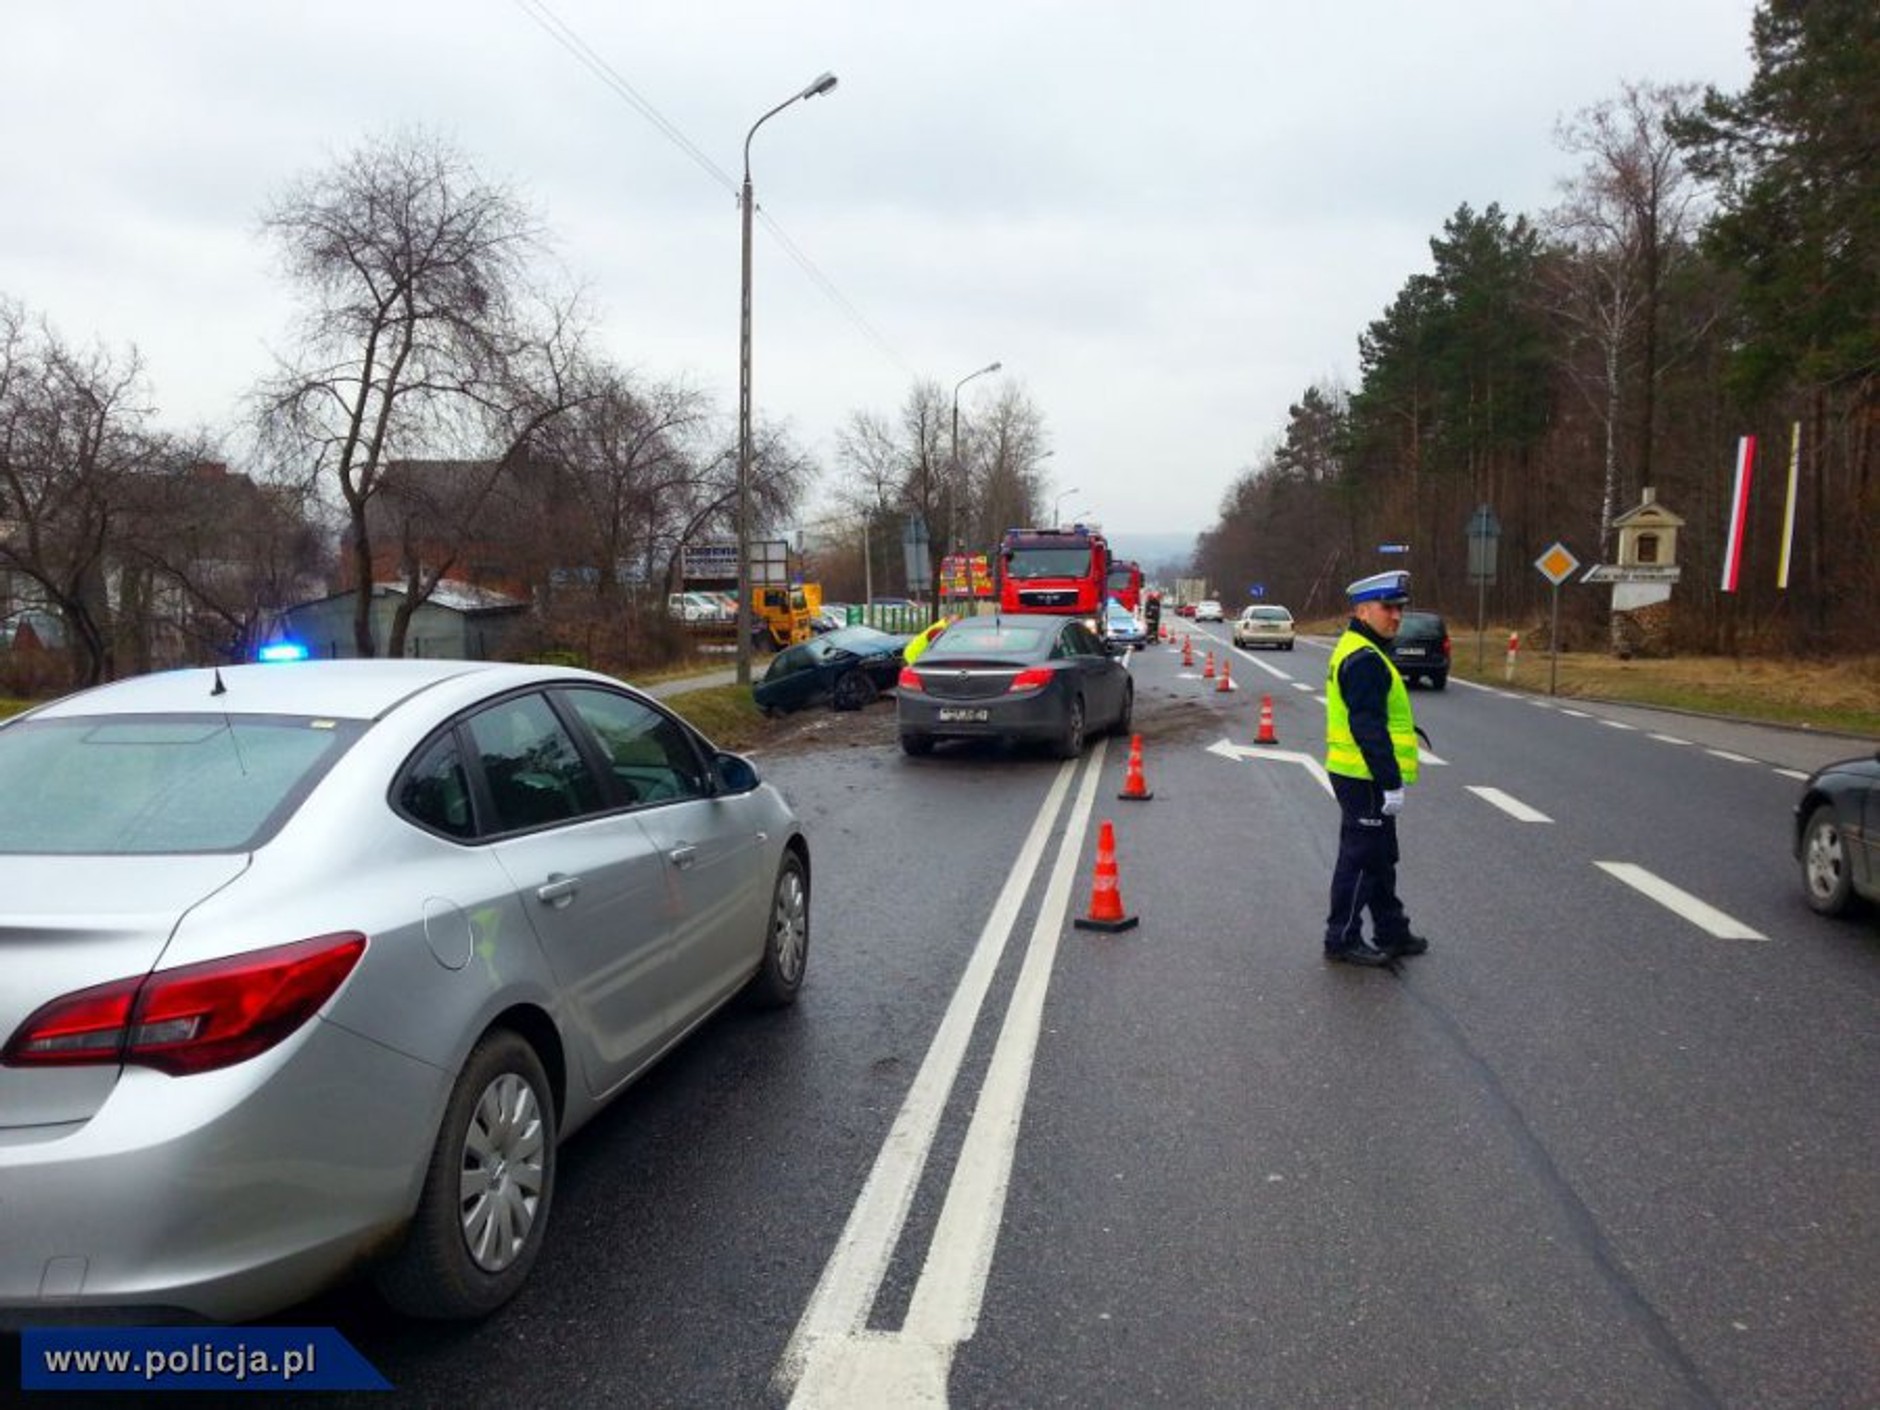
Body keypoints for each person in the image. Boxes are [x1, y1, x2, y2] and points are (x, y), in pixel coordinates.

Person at [1322, 570, 1429, 967]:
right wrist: (1390, 782)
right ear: (1363, 610)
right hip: (1365, 776)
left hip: (1363, 774)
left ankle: (1391, 930)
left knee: (1380, 856)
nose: (1397, 616)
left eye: (1400, 608)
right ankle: (1342, 937)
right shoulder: (1364, 658)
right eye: (1388, 608)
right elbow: (1367, 727)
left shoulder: (1364, 648)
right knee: (1362, 859)